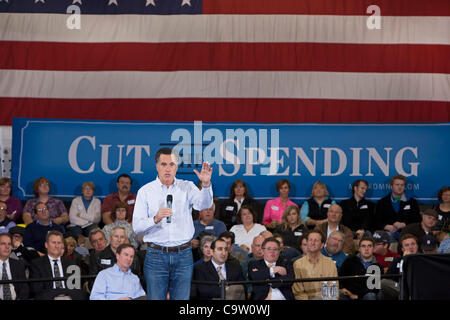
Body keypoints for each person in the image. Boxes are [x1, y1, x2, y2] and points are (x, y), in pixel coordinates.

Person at [132, 147, 213, 300]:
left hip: (183, 255)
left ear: (177, 167)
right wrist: (155, 219)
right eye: (163, 164)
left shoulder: (187, 186)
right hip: (156, 255)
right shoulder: (146, 191)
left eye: (172, 164)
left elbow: (203, 204)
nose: (168, 169)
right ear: (157, 166)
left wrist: (206, 185)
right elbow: (137, 227)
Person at [29, 230, 88, 300]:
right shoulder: (36, 264)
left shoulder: (71, 263)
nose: (57, 246)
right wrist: (58, 293)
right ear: (46, 245)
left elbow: (76, 288)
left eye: (59, 243)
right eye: (54, 243)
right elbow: (36, 290)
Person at [292, 230, 338, 300]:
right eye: (310, 240)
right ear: (307, 243)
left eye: (316, 240)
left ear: (322, 245)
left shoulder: (330, 263)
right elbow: (298, 292)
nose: (313, 243)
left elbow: (333, 289)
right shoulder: (298, 264)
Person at [374, 174, 421, 242]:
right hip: (388, 233)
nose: (400, 187)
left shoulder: (412, 202)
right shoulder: (382, 202)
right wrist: (386, 226)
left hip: (407, 233)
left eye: (402, 185)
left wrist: (404, 224)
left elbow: (417, 220)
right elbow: (376, 221)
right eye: (397, 184)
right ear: (391, 186)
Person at [381, 233, 419, 300]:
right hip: (400, 287)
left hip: (418, 287)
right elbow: (388, 278)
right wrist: (405, 260)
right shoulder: (397, 260)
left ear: (417, 246)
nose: (410, 247)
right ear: (402, 249)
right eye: (407, 245)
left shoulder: (423, 259)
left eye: (413, 244)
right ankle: (407, 293)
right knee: (383, 282)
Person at [0, 233, 29, 300]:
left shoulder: (18, 264)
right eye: (3, 244)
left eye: (9, 244)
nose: (7, 247)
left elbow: (24, 289)